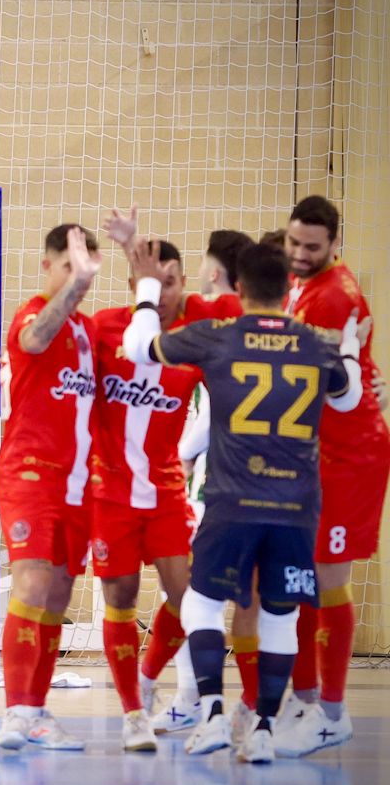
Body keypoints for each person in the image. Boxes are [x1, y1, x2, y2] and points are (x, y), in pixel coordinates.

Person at [122, 240, 362, 763]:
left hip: (232, 500)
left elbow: (140, 346)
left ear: (244, 288)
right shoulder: (315, 342)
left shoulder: (218, 336)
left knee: (202, 603)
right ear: (286, 291)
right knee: (280, 615)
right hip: (297, 508)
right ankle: (264, 732)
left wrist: (145, 290)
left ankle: (208, 712)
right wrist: (347, 345)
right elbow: (348, 397)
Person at [92, 213, 243, 751]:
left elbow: (249, 314)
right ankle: (134, 713)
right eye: (157, 282)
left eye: (176, 280)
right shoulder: (105, 327)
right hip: (109, 491)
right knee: (122, 595)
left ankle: (155, 684)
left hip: (166, 490)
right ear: (135, 286)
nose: (171, 292)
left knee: (191, 594)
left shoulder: (199, 327)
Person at [274, 195, 390, 757]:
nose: (298, 254)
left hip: (350, 457)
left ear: (335, 245)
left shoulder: (335, 295)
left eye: (311, 248)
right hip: (313, 453)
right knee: (299, 578)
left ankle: (334, 714)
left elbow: (341, 394)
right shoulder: (301, 284)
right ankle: (303, 699)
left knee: (325, 579)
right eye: (293, 242)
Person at [0, 224, 100, 751]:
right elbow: (33, 341)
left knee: (58, 597)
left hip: (79, 483)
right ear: (48, 266)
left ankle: (36, 712)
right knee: (32, 585)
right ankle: (14, 712)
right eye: (68, 270)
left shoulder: (87, 331)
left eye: (84, 273)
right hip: (30, 472)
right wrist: (76, 285)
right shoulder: (33, 315)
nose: (78, 283)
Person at [160, 229, 265, 742]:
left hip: (214, 485)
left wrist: (176, 457)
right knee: (253, 603)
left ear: (216, 271)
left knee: (192, 594)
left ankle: (201, 704)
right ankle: (260, 710)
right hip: (275, 488)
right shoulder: (278, 327)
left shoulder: (213, 314)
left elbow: (214, 404)